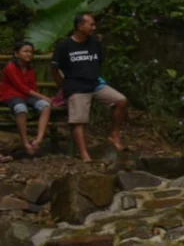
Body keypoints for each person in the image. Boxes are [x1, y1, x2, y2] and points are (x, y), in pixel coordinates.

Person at [50, 13, 128, 162]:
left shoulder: (94, 43)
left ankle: (114, 134)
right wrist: (65, 86)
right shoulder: (64, 46)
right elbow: (54, 69)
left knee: (121, 100)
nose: (94, 27)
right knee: (79, 120)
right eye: (91, 24)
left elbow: (99, 62)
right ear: (80, 26)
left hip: (95, 83)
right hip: (76, 87)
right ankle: (84, 154)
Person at [1, 41, 53, 155]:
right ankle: (25, 142)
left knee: (45, 106)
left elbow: (32, 88)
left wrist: (42, 99)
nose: (29, 54)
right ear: (16, 54)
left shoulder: (30, 69)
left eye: (31, 52)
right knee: (21, 108)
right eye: (25, 51)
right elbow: (21, 87)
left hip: (27, 96)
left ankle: (38, 140)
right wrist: (44, 96)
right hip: (12, 95)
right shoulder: (10, 67)